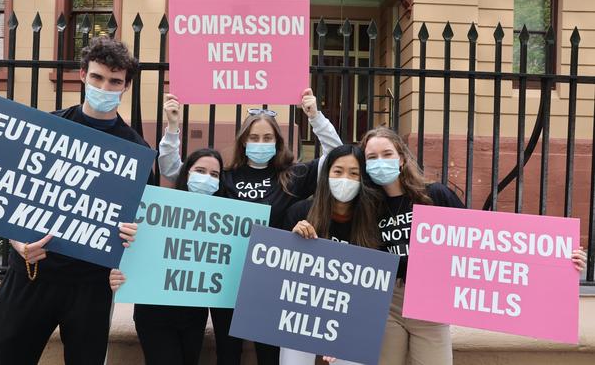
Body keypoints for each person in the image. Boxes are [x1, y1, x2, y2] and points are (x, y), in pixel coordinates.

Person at [353, 126, 589, 365]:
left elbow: (481, 241)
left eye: (387, 154)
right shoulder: (367, 209)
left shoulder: (434, 195)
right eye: (372, 157)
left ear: (401, 158)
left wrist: (560, 260)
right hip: (389, 304)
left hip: (430, 302)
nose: (380, 162)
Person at [0, 36, 148, 365]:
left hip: (90, 286)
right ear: (83, 75)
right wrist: (18, 243)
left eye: (115, 81)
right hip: (32, 272)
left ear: (126, 86)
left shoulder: (137, 152)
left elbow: (140, 219)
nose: (105, 86)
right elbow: (8, 194)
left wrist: (133, 235)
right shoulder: (46, 128)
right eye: (98, 77)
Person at [158, 90, 343, 365]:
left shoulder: (293, 175)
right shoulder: (226, 175)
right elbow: (174, 171)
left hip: (274, 281)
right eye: (254, 138)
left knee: (269, 355)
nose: (260, 143)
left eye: (267, 138)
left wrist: (315, 117)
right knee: (228, 352)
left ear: (277, 142)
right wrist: (172, 127)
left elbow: (335, 157)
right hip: (228, 279)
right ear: (243, 142)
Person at [110, 148, 225, 365]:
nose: (207, 178)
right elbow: (129, 247)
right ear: (186, 173)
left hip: (194, 315)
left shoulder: (223, 222)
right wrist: (119, 271)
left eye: (214, 174)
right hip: (155, 314)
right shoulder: (157, 208)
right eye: (200, 170)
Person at [280, 144, 378, 365]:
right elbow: (281, 276)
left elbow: (372, 288)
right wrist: (293, 241)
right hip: (301, 315)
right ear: (326, 175)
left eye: (354, 173)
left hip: (352, 317)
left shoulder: (372, 220)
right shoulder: (300, 212)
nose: (345, 178)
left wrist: (342, 331)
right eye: (338, 171)